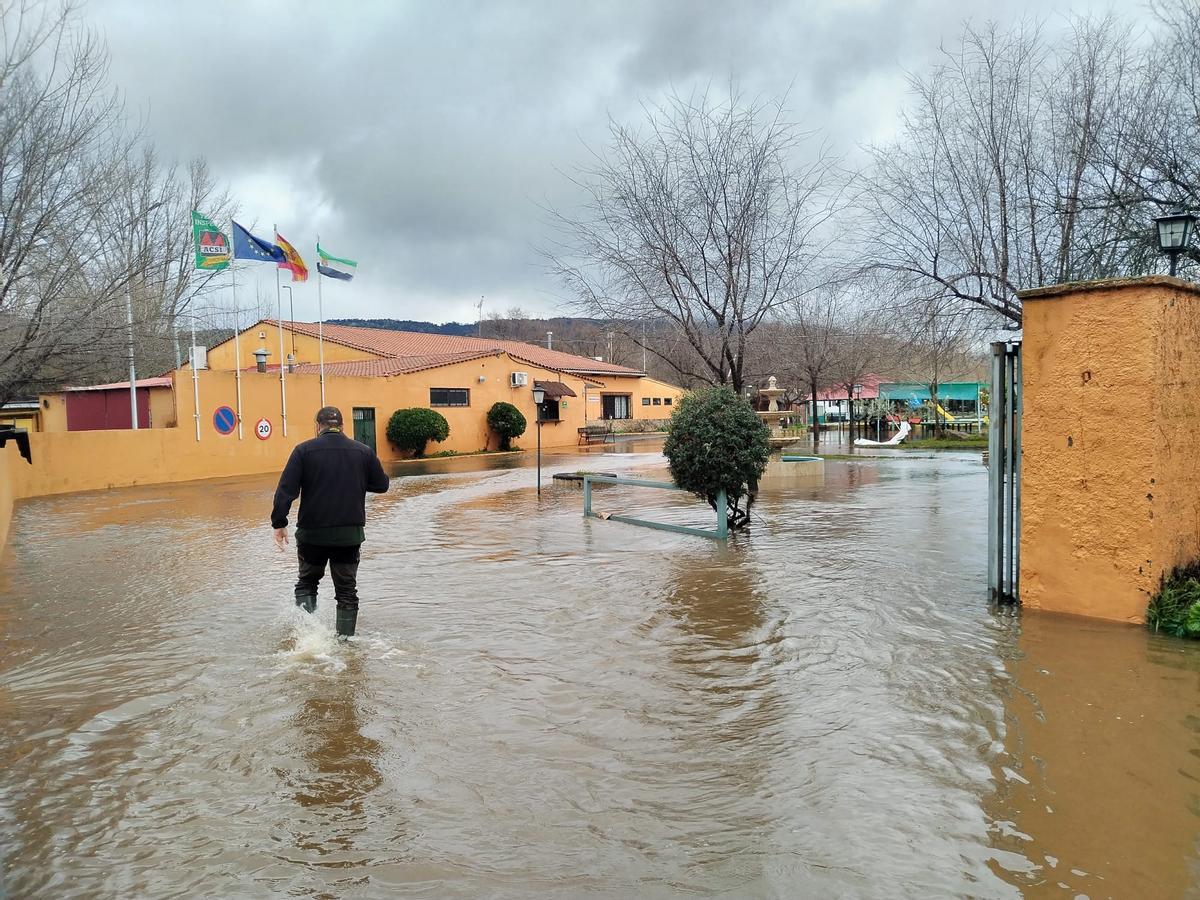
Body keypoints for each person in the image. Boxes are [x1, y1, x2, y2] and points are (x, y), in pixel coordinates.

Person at [271, 406, 390, 639]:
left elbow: (285, 491)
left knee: (307, 583)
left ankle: (308, 639)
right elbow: (382, 485)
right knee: (346, 590)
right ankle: (345, 645)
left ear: (317, 426)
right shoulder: (363, 451)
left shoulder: (303, 451)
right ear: (342, 426)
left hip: (312, 535)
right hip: (349, 535)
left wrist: (279, 523)